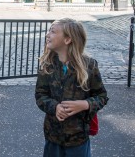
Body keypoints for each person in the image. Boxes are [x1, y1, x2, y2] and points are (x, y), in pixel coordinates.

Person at [35, 18, 108, 157]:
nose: (47, 34)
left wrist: (85, 104)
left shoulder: (89, 66)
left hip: (78, 138)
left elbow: (102, 96)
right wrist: (55, 107)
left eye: (53, 31)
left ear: (67, 39)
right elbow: (40, 95)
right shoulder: (47, 65)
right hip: (53, 136)